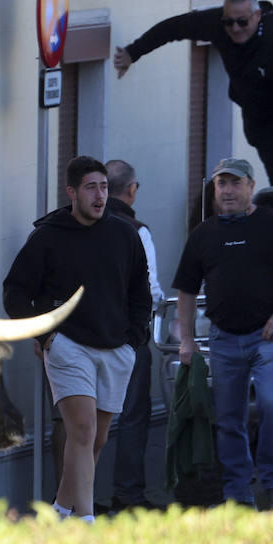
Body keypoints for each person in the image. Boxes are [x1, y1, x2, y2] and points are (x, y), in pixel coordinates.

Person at [3, 156, 151, 522]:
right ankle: (85, 520)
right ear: (72, 192)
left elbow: (140, 293)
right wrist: (46, 334)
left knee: (95, 440)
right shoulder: (48, 237)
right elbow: (15, 292)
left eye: (103, 187)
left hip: (117, 347)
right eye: (91, 188)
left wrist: (134, 339)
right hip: (68, 346)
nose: (100, 195)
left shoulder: (125, 234)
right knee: (81, 430)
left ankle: (59, 511)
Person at [171, 157, 273, 509]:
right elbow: (186, 291)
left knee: (271, 402)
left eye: (235, 183)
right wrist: (187, 340)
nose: (227, 190)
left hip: (266, 336)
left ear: (251, 186)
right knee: (228, 418)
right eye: (222, 184)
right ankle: (237, 492)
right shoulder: (203, 234)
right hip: (223, 339)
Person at [114, 0, 273, 185]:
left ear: (257, 16)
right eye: (229, 22)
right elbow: (173, 28)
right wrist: (133, 53)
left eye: (242, 22)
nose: (235, 29)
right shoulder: (218, 24)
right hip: (261, 116)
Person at [103, 158, 164, 511]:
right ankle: (128, 496)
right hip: (128, 338)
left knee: (80, 417)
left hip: (79, 339)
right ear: (131, 190)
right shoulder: (137, 230)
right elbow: (152, 289)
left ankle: (71, 499)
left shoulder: (74, 224)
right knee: (132, 414)